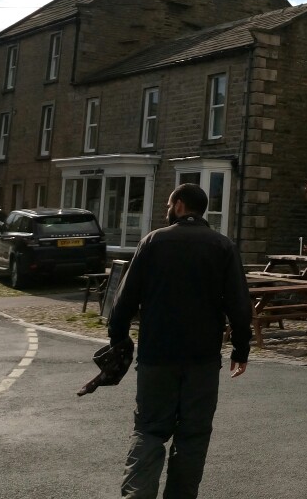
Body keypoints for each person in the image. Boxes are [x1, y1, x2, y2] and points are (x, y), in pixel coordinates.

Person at [108, 183, 252, 499]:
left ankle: (137, 495)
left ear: (180, 205)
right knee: (193, 436)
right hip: (202, 358)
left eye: (169, 204)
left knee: (149, 429)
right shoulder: (223, 246)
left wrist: (118, 340)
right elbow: (240, 306)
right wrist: (241, 349)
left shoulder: (152, 242)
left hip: (156, 355)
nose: (167, 210)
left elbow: (123, 302)